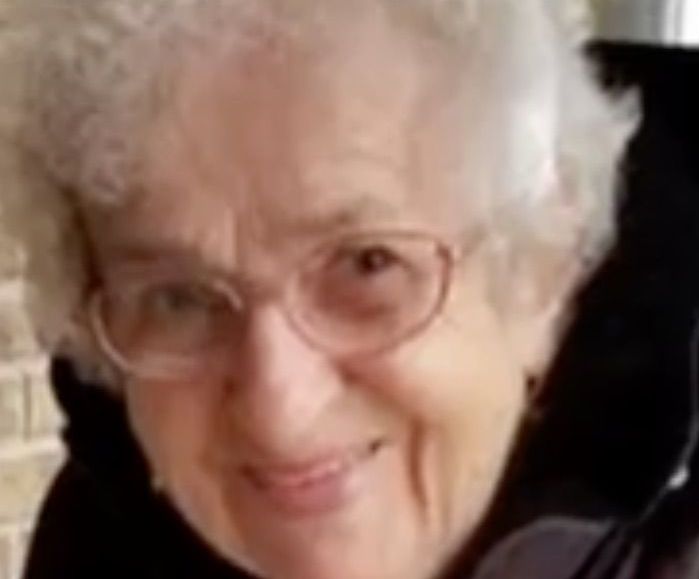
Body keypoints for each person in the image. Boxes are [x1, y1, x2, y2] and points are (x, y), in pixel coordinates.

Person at [0, 1, 634, 578]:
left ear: (536, 272)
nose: (280, 414)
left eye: (367, 265)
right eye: (180, 298)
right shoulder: (101, 545)